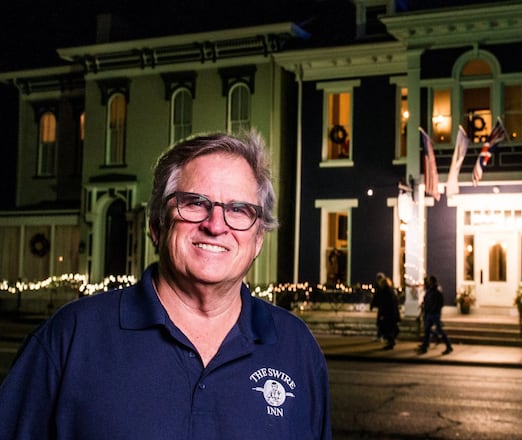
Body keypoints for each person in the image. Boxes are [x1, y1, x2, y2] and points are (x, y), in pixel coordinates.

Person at [0, 132, 332, 439]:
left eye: (239, 209)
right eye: (194, 203)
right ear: (157, 226)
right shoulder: (71, 337)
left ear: (258, 238)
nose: (216, 225)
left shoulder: (296, 348)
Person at [416, 275, 453, 355]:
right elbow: (427, 301)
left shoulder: (436, 291)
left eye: (430, 281)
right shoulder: (430, 291)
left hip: (434, 314)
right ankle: (424, 347)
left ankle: (448, 346)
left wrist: (433, 310)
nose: (428, 282)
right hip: (430, 313)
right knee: (427, 330)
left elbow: (439, 303)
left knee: (439, 330)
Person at [370, 272, 400, 349]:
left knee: (385, 327)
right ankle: (390, 340)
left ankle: (390, 341)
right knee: (389, 327)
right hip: (392, 313)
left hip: (387, 313)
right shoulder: (391, 290)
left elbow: (383, 302)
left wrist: (374, 306)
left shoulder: (384, 291)